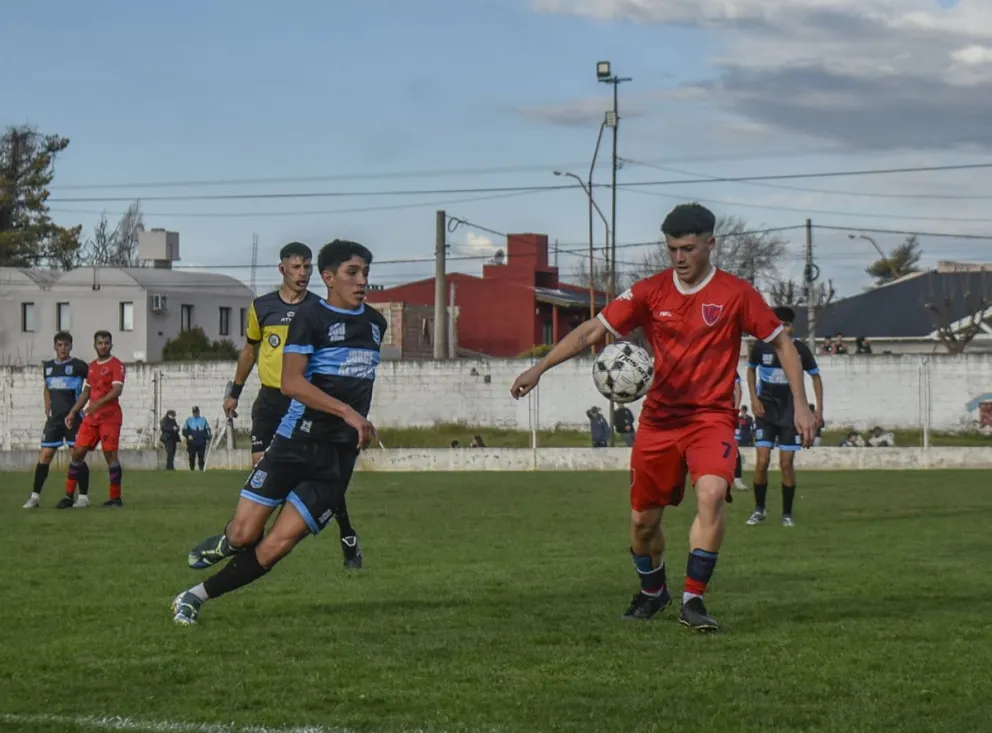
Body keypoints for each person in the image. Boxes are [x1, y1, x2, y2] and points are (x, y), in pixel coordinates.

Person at [510, 203, 816, 632]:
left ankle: (694, 600)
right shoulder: (649, 292)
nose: (679, 258)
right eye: (672, 248)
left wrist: (801, 405)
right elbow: (591, 331)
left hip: (711, 417)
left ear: (711, 244)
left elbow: (782, 343)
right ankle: (654, 591)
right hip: (659, 421)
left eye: (688, 248)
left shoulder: (736, 293)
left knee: (711, 494)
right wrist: (540, 367)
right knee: (642, 522)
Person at [172, 240, 386, 626]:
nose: (362, 281)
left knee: (275, 547)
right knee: (243, 534)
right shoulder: (311, 319)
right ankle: (228, 541)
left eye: (366, 273)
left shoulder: (375, 324)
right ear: (329, 277)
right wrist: (348, 413)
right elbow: (290, 383)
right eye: (353, 273)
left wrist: (355, 422)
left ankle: (193, 597)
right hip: (294, 443)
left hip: (336, 459)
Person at [223, 241, 362, 570]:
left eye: (307, 267)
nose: (302, 273)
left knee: (321, 473)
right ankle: (254, 539)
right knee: (263, 468)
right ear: (282, 269)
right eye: (296, 267)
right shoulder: (262, 307)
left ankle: (346, 534)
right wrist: (235, 392)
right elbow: (250, 351)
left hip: (304, 401)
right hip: (270, 400)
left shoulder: (320, 308)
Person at [745, 306, 823, 527]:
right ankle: (759, 509)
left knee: (786, 464)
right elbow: (750, 370)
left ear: (792, 326)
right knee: (762, 461)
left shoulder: (799, 350)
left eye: (786, 325)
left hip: (790, 412)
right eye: (779, 324)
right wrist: (754, 399)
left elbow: (816, 377)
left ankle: (787, 514)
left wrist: (818, 411)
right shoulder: (760, 346)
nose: (783, 329)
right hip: (765, 411)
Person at [57, 330, 127, 508]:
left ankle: (115, 498)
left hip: (110, 416)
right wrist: (73, 412)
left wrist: (97, 404)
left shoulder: (117, 365)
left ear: (111, 345)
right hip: (92, 417)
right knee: (77, 453)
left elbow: (117, 390)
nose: (103, 345)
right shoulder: (92, 366)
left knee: (110, 455)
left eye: (106, 343)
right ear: (94, 345)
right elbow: (86, 393)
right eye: (100, 343)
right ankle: (68, 496)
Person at [23, 332, 89, 508]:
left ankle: (83, 497)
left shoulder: (79, 366)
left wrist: (87, 407)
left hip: (73, 418)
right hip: (55, 419)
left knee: (77, 456)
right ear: (55, 346)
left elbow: (92, 386)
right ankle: (34, 497)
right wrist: (47, 406)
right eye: (59, 345)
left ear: (71, 346)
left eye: (66, 345)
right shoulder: (48, 367)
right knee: (45, 455)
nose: (63, 349)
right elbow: (47, 388)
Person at [182, 406, 212, 471]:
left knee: (201, 456)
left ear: (199, 412)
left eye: (196, 412)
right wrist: (188, 435)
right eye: (194, 412)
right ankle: (192, 469)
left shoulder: (203, 420)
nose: (195, 413)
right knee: (191, 456)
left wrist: (208, 438)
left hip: (201, 441)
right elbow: (184, 431)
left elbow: (208, 430)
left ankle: (201, 469)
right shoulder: (189, 420)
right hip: (192, 442)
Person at [731, 374, 748, 491]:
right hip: (712, 412)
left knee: (733, 446)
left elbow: (738, 388)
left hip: (728, 413)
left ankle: (737, 479)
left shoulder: (728, 365)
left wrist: (735, 410)